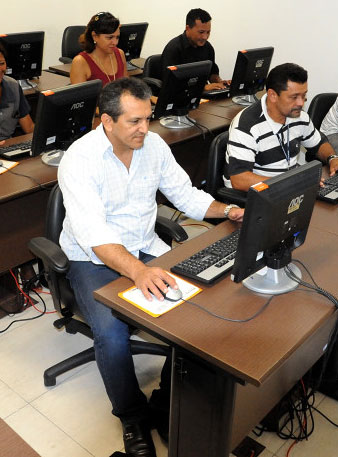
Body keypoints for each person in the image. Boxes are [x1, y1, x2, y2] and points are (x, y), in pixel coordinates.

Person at [58, 77, 244, 457]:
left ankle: (163, 400)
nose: (146, 128)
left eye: (148, 118)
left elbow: (184, 194)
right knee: (111, 333)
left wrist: (227, 211)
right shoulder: (79, 160)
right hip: (93, 256)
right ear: (107, 122)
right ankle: (131, 416)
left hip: (144, 245)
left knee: (193, 308)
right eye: (135, 121)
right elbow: (96, 238)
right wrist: (139, 272)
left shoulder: (153, 145)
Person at [225, 63, 338, 191]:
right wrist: (291, 184)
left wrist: (333, 159)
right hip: (257, 193)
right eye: (294, 97)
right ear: (272, 95)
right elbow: (239, 179)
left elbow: (318, 143)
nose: (301, 103)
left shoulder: (298, 115)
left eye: (304, 95)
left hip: (287, 187)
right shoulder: (247, 126)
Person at [161, 8, 229, 91]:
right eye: (201, 32)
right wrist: (202, 88)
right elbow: (171, 84)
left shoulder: (208, 47)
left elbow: (212, 73)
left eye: (208, 32)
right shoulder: (174, 49)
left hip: (201, 96)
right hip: (179, 97)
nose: (205, 37)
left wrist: (220, 82)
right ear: (188, 28)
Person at [70, 12, 128, 86]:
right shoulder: (80, 62)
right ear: (95, 36)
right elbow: (79, 96)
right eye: (110, 37)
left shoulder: (120, 53)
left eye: (117, 37)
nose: (115, 42)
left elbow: (127, 88)